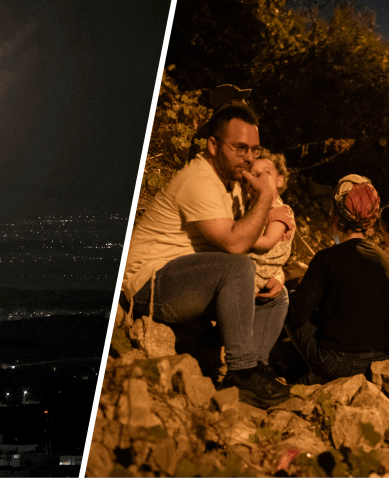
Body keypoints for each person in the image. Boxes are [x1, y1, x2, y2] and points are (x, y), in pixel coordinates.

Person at [122, 104, 290, 408]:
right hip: (150, 284)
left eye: (254, 149)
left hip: (193, 279)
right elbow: (236, 245)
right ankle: (241, 372)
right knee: (237, 267)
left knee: (276, 296)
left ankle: (255, 367)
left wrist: (276, 274)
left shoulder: (234, 183)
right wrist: (266, 196)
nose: (250, 158)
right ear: (213, 145)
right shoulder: (199, 180)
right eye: (240, 148)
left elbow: (254, 242)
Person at [284, 175, 389, 384]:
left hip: (340, 363)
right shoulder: (387, 262)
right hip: (386, 361)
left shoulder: (326, 259)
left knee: (288, 301)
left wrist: (293, 284)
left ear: (335, 215)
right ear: (372, 220)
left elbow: (296, 314)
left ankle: (316, 375)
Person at [244, 154, 295, 296]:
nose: (259, 178)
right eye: (253, 174)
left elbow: (267, 242)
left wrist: (240, 235)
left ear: (279, 181)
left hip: (259, 272)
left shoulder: (281, 212)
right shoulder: (249, 204)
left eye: (266, 173)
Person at [187, 84, 251, 161]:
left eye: (243, 101)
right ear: (226, 106)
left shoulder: (229, 130)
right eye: (239, 100)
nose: (244, 104)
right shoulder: (213, 133)